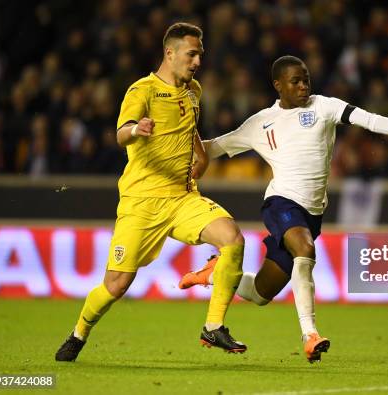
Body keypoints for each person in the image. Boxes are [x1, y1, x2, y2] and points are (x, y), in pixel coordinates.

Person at [179, 55, 388, 362]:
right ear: (278, 85)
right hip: (280, 203)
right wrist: (179, 134)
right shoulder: (260, 123)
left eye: (306, 80)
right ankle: (310, 334)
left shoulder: (324, 106)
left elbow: (369, 119)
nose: (303, 86)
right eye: (295, 81)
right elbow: (214, 147)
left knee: (261, 293)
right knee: (304, 249)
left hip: (312, 213)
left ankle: (215, 273)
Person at [55, 23, 247, 362]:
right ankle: (78, 332)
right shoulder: (141, 90)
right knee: (116, 284)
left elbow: (190, 131)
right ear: (169, 54)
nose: (198, 61)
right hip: (142, 202)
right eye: (192, 54)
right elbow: (120, 134)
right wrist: (136, 129)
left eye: (200, 54)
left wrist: (201, 158)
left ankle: (213, 325)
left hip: (183, 197)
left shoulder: (194, 91)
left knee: (232, 238)